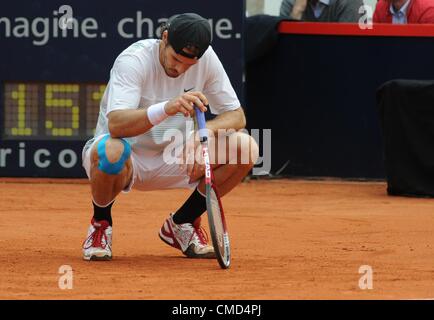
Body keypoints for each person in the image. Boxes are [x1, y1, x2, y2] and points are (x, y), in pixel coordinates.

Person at [81, 13, 259, 261]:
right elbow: (116, 125)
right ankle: (101, 224)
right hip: (129, 157)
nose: (181, 68)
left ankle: (182, 224)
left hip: (178, 155)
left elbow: (237, 116)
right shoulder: (134, 60)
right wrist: (167, 107)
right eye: (176, 58)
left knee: (246, 147)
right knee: (110, 152)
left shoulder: (207, 60)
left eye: (190, 64)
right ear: (164, 38)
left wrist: (202, 134)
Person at [279, 0, 364, 22]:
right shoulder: (292, 2)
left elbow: (348, 47)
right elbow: (285, 49)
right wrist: (298, 10)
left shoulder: (349, 2)